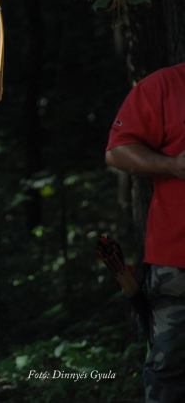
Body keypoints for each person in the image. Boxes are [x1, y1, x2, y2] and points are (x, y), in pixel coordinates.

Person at [105, 63, 185, 403]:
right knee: (169, 371)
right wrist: (173, 165)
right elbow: (117, 151)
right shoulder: (165, 85)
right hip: (176, 260)